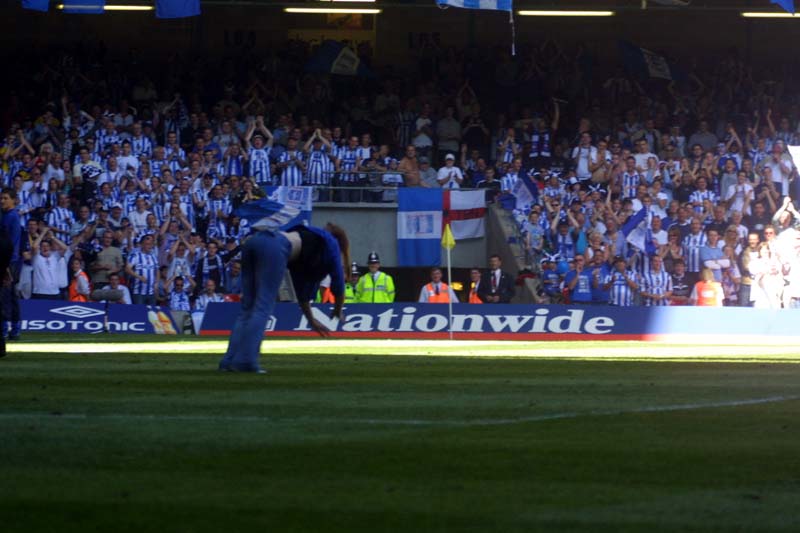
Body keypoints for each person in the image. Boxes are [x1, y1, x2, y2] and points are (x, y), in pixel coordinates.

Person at [219, 222, 350, 373]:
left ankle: (228, 361)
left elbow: (303, 295)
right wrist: (338, 309)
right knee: (262, 308)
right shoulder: (330, 243)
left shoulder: (310, 238)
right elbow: (338, 283)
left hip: (254, 241)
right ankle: (245, 361)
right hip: (274, 247)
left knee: (247, 309)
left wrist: (311, 320)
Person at [1, 188, 22, 346]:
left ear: (14, 200)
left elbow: (9, 242)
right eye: (1, 198)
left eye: (5, 198)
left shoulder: (11, 217)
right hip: (12, 260)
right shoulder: (10, 216)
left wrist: (6, 265)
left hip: (9, 261)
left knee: (4, 296)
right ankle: (15, 329)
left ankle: (3, 329)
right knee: (12, 296)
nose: (2, 201)